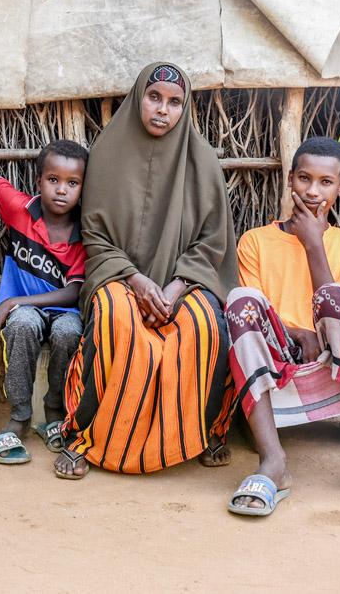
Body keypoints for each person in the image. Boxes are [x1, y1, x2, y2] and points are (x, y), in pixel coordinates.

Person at [53, 62, 237, 479]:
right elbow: (94, 236)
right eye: (154, 98)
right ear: (139, 98)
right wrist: (136, 281)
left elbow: (212, 242)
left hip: (185, 282)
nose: (162, 110)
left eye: (174, 103)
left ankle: (205, 433)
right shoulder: (106, 154)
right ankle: (86, 437)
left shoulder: (202, 160)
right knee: (117, 322)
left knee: (205, 328)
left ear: (184, 108)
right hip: (119, 275)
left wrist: (173, 289)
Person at [225, 137, 340, 515]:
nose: (313, 191)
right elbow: (255, 312)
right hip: (274, 359)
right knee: (239, 300)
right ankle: (273, 463)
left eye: (326, 182)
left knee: (336, 297)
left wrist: (314, 244)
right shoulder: (255, 241)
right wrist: (295, 330)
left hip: (333, 364)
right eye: (304, 179)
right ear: (290, 179)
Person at [0, 140, 89, 464]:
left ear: (83, 188)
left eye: (72, 183)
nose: (61, 190)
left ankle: (54, 411)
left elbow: (73, 292)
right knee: (24, 323)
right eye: (53, 180)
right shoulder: (21, 209)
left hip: (63, 308)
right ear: (38, 181)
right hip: (26, 311)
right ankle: (20, 415)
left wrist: (12, 301)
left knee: (69, 331)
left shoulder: (85, 232)